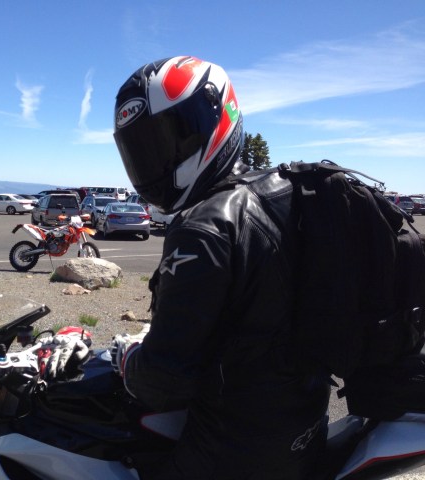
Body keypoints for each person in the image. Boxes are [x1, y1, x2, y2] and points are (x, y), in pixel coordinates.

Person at [110, 56, 331, 479]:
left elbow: (161, 381)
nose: (155, 161)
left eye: (169, 140)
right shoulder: (284, 191)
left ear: (215, 116)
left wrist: (127, 357)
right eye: (143, 148)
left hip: (235, 446)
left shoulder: (204, 227)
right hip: (303, 421)